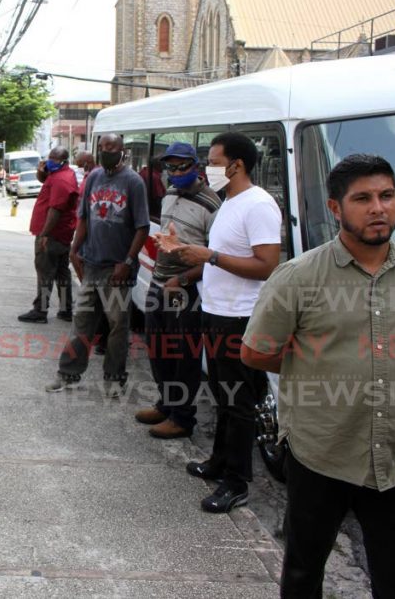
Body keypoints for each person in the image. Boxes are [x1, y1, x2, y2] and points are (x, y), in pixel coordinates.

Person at [241, 154, 395, 598]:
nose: (378, 208)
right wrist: (316, 369)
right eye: (362, 198)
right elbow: (255, 351)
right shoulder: (298, 277)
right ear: (335, 208)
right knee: (304, 574)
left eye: (387, 196)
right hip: (318, 454)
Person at [155, 132, 281, 514]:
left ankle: (236, 482)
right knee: (224, 397)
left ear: (236, 165)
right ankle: (219, 462)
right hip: (216, 311)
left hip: (240, 318)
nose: (207, 169)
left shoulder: (258, 205)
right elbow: (219, 255)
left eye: (212, 161)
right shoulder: (230, 202)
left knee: (239, 403)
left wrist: (209, 256)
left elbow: (266, 265)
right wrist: (183, 251)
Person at [44, 134, 149, 395]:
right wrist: (74, 249)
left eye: (111, 148)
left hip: (118, 270)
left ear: (122, 150)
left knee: (117, 326)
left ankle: (114, 378)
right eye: (102, 148)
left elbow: (142, 226)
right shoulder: (94, 178)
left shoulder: (133, 182)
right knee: (81, 322)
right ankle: (68, 374)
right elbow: (84, 219)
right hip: (91, 263)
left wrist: (127, 261)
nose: (106, 152)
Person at [136, 143, 220, 440]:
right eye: (171, 167)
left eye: (182, 166)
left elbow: (214, 256)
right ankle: (166, 405)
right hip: (159, 282)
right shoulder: (169, 193)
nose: (176, 172)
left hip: (185, 289)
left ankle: (183, 418)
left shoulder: (211, 204)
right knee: (157, 348)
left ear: (196, 166)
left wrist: (182, 279)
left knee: (183, 355)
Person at [18, 146, 78, 324]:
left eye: (54, 159)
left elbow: (55, 210)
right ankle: (66, 309)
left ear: (64, 161)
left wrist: (45, 234)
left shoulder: (62, 180)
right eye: (49, 158)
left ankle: (40, 310)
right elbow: (45, 181)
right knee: (61, 272)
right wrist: (40, 171)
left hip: (53, 234)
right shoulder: (60, 174)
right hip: (61, 233)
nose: (49, 161)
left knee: (45, 272)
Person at [73, 150, 108, 354]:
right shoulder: (91, 177)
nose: (79, 167)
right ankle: (96, 336)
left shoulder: (97, 179)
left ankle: (101, 338)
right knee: (91, 296)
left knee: (102, 299)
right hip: (87, 244)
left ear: (87, 162)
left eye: (80, 164)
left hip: (95, 247)